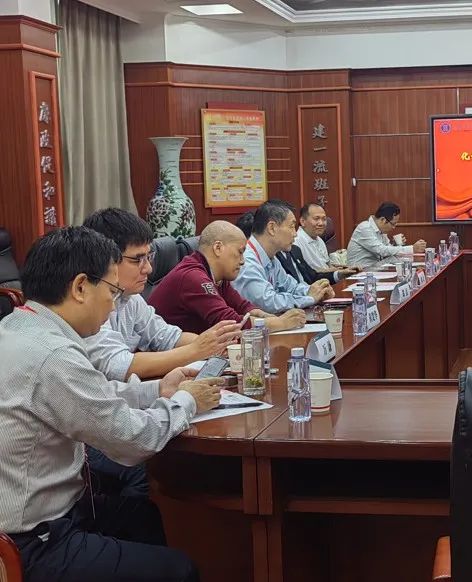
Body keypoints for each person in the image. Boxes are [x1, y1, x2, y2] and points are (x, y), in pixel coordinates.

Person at [0, 226, 223, 582]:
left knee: (142, 516)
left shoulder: (19, 325)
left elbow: (92, 396)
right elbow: (133, 440)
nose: (114, 304)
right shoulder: (54, 355)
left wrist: (159, 390)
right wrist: (187, 401)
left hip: (44, 516)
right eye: (112, 291)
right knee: (179, 569)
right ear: (80, 287)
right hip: (31, 542)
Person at [83, 209, 241, 382]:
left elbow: (166, 336)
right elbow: (118, 365)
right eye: (138, 260)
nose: (148, 269)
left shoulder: (130, 298)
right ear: (107, 259)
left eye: (149, 257)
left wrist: (213, 344)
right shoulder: (87, 302)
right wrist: (196, 350)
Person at [148, 221, 305, 334]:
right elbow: (231, 323)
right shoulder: (193, 277)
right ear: (218, 248)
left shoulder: (216, 275)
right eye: (240, 252)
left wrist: (265, 316)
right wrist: (280, 323)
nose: (242, 261)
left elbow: (243, 306)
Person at [233, 201, 335, 313]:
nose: (295, 234)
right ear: (272, 228)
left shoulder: (271, 258)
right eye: (291, 226)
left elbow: (291, 287)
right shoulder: (246, 260)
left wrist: (317, 290)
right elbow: (268, 302)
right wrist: (310, 299)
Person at [347, 202, 427, 269]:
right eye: (393, 224)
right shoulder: (365, 228)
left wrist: (396, 245)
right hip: (359, 273)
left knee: (396, 263)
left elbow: (389, 252)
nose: (394, 227)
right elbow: (382, 251)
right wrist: (412, 248)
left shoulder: (381, 231)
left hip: (375, 269)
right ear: (383, 220)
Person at [293, 202, 357, 275]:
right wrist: (336, 271)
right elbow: (305, 273)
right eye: (316, 219)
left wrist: (346, 269)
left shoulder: (319, 240)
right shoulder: (296, 242)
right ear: (302, 221)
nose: (321, 223)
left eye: (324, 219)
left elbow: (327, 265)